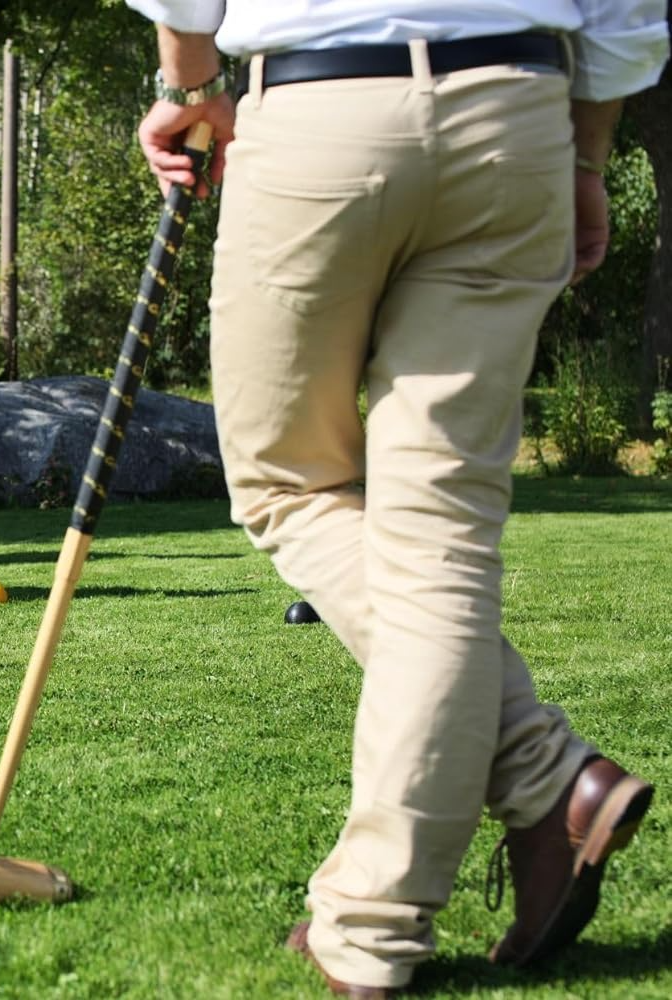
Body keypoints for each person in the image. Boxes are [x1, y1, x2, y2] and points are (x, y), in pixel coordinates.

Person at [126, 0, 666, 994]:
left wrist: (190, 87)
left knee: (288, 487)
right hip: (519, 115)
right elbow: (628, 11)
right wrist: (587, 159)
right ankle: (541, 790)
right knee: (442, 539)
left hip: (325, 107)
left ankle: (394, 915)